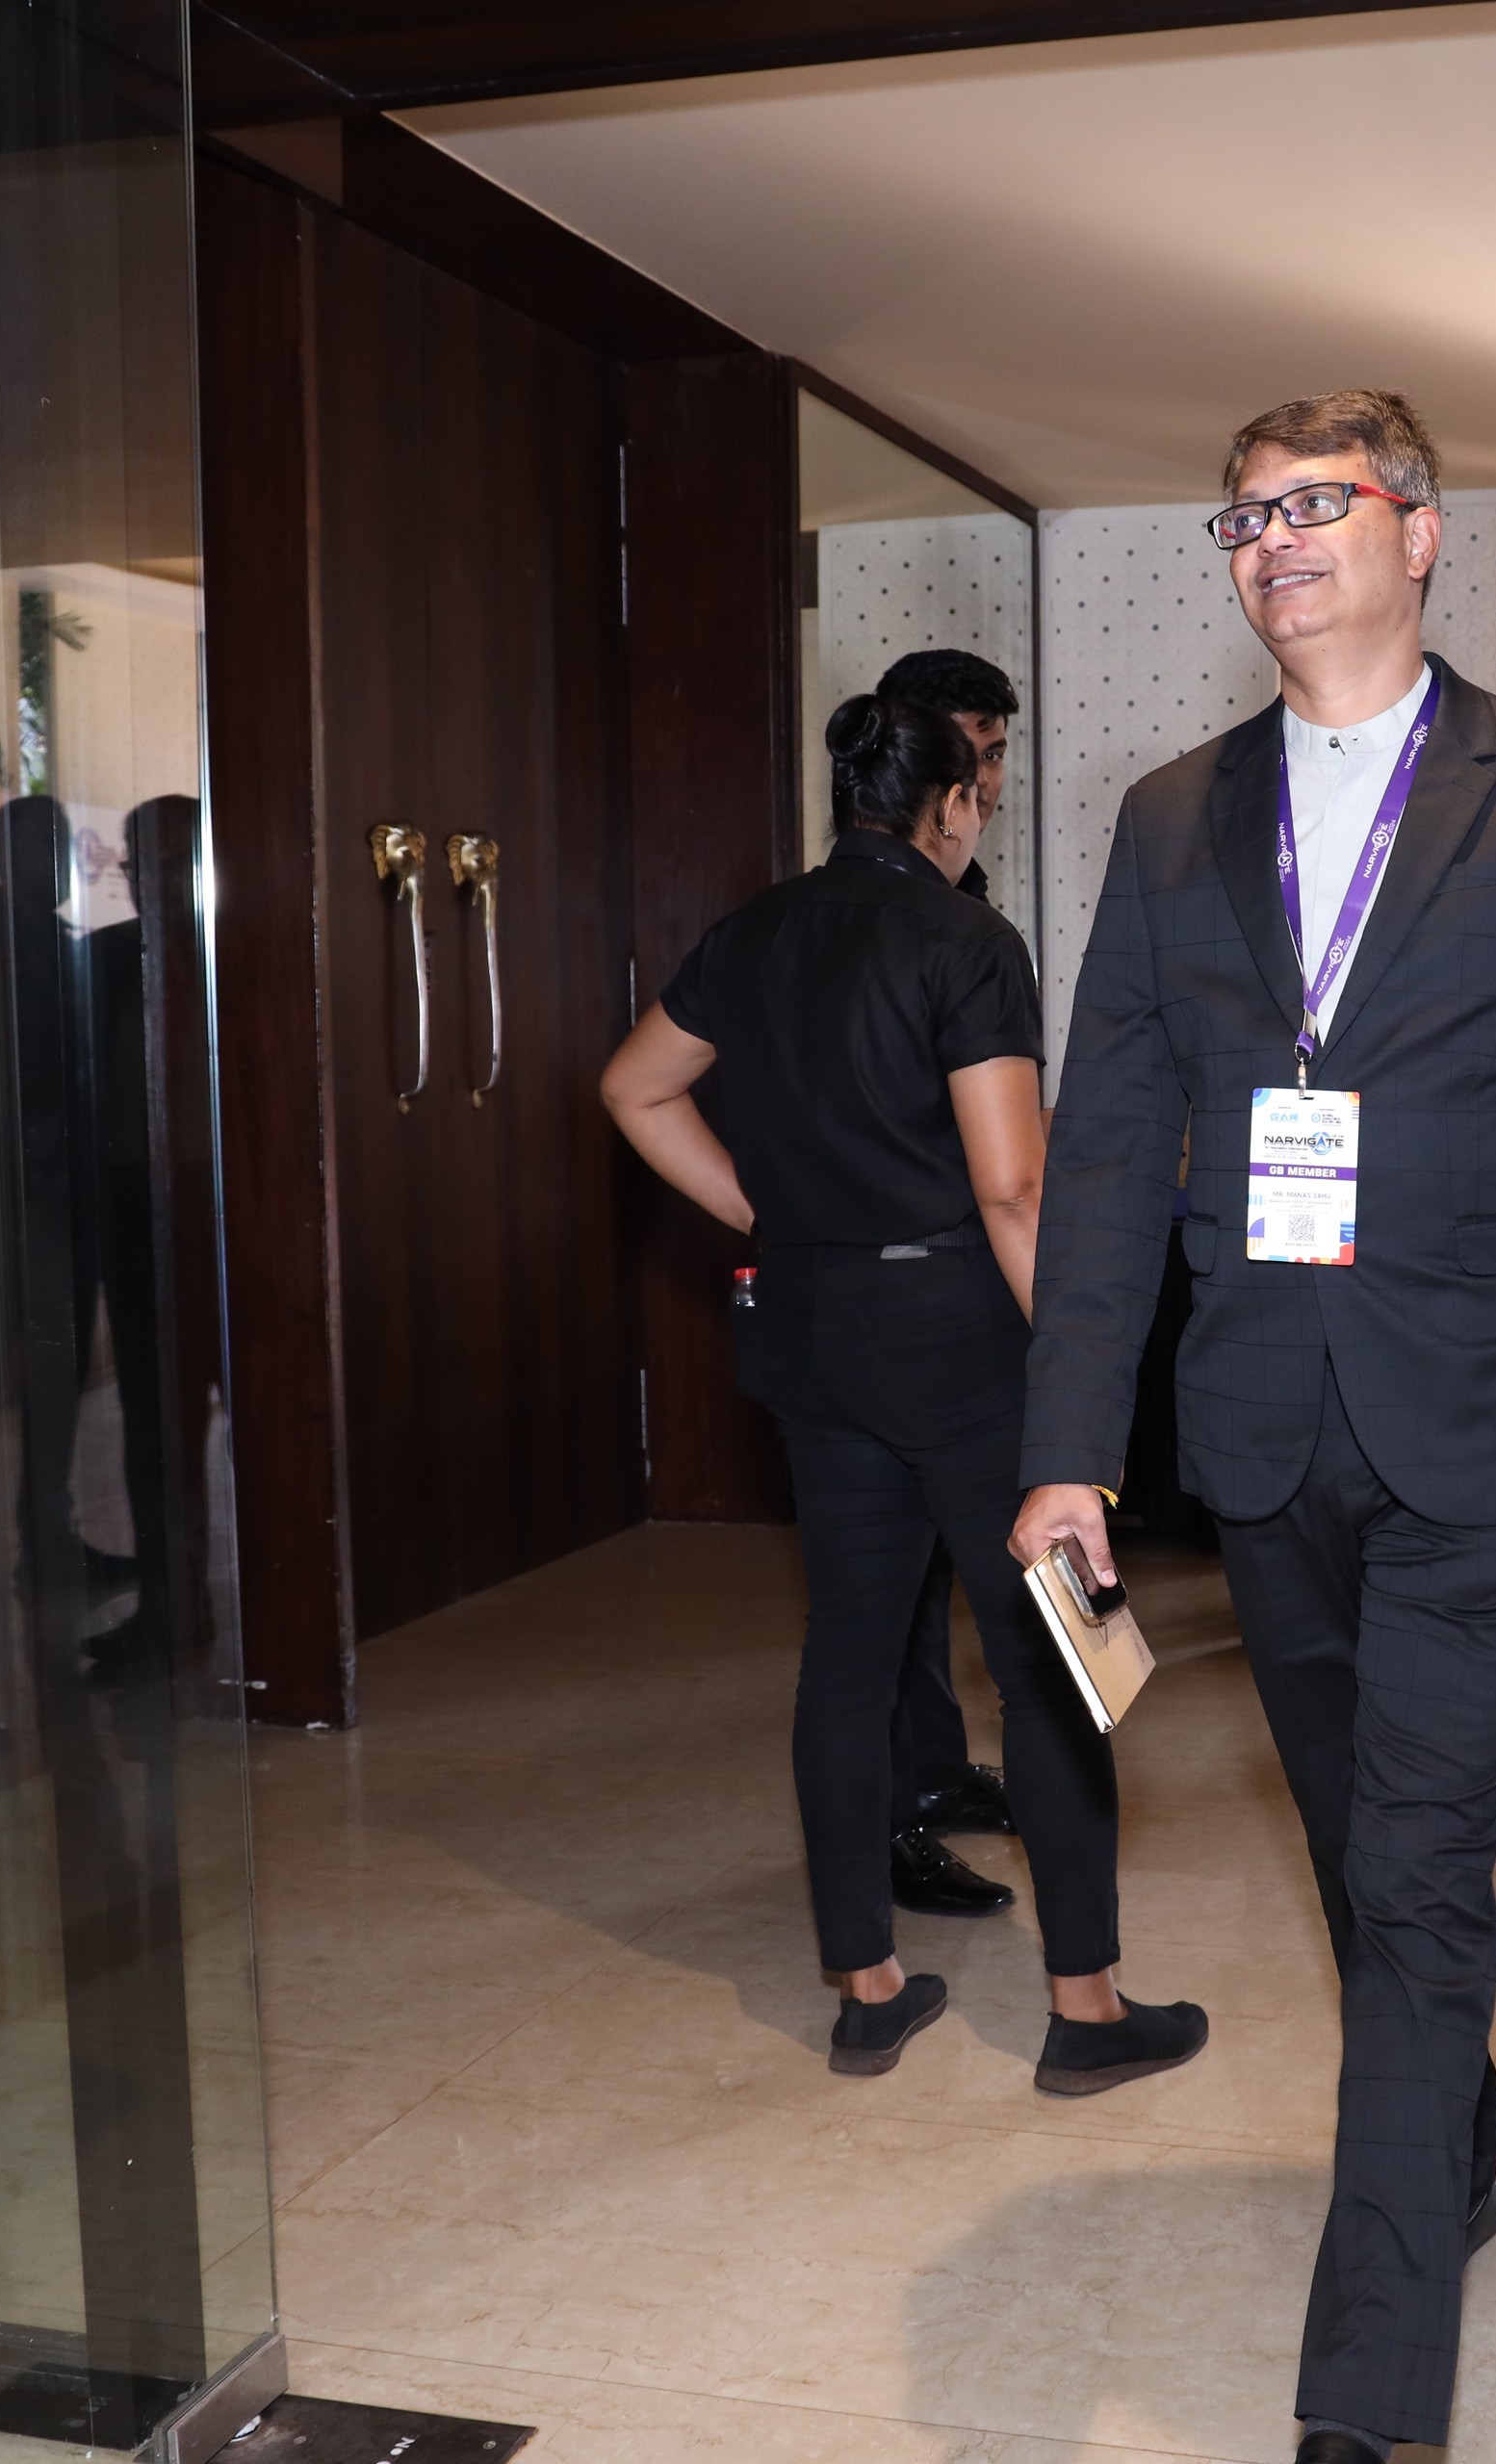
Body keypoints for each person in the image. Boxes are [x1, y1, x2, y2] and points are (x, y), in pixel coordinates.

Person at [1010, 389, 1496, 2464]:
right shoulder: (1166, 817)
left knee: (1415, 1876)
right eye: (1243, 516)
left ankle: (1368, 2394)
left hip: (1489, 1422)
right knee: (1358, 1846)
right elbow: (1112, 1149)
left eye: (1316, 505)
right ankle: (1454, 2116)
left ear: (1421, 530)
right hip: (1267, 1434)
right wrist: (1068, 1441)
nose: (1274, 540)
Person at [600, 692, 1206, 2092]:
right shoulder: (965, 942)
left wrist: (767, 1206)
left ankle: (867, 1987)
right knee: (1052, 1665)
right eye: (978, 794)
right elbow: (1010, 1183)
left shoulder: (753, 932)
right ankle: (1087, 2010)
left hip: (813, 1332)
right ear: (952, 806)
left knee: (850, 1655)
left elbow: (635, 1090)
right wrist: (1079, 1379)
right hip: (955, 1343)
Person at [870, 648, 1028, 1916]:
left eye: (997, 752)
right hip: (916, 1302)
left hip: (935, 1293)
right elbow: (1003, 1178)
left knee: (926, 1580)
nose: (987, 780)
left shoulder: (973, 912)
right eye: (973, 752)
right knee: (886, 1593)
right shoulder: (915, 920)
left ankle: (934, 1771)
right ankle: (891, 1820)